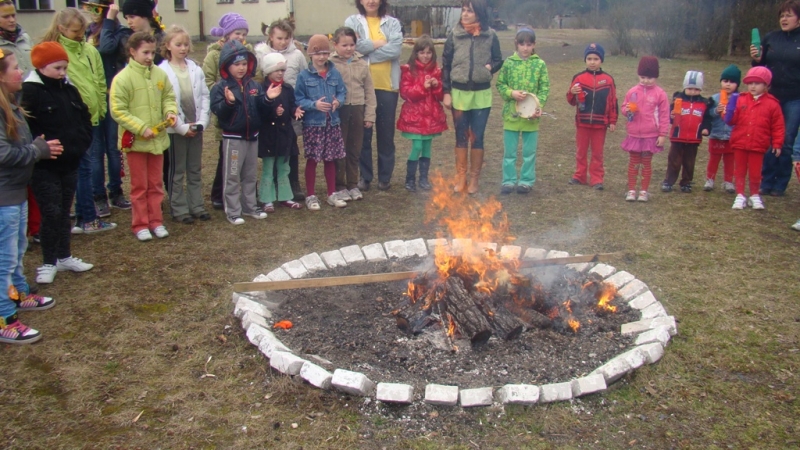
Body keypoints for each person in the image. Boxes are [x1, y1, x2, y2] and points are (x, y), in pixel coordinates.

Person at [0, 49, 63, 344]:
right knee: (4, 256)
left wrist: (33, 145)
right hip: (4, 196)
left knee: (17, 249)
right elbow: (3, 154)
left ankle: (19, 292)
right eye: (14, 67)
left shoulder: (12, 106)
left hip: (16, 191)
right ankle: (5, 318)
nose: (20, 72)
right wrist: (36, 151)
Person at [22, 42, 94, 284]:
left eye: (65, 67)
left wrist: (81, 142)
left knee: (64, 211)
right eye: (57, 68)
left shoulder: (69, 90)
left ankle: (64, 256)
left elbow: (84, 116)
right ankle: (48, 261)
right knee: (51, 212)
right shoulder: (30, 93)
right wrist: (39, 149)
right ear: (41, 67)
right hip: (44, 166)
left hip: (70, 161)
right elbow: (24, 129)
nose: (63, 73)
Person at [41, 8, 118, 235]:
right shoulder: (58, 52)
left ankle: (84, 216)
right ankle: (88, 218)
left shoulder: (89, 50)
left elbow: (99, 81)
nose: (80, 34)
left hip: (93, 117)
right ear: (62, 29)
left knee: (84, 167)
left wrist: (102, 108)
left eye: (83, 30)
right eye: (75, 31)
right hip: (74, 119)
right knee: (84, 167)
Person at [109, 32, 177, 240]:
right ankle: (140, 224)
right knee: (140, 186)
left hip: (157, 139)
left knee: (156, 184)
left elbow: (168, 96)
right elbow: (118, 110)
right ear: (132, 52)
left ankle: (156, 221)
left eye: (152, 52)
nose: (149, 57)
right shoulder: (122, 78)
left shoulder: (159, 74)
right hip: (137, 142)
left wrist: (170, 112)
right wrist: (140, 128)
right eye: (145, 52)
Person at [441, 0, 503, 194]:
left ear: (479, 13)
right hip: (459, 93)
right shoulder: (454, 35)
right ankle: (461, 177)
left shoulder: (490, 35)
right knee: (461, 136)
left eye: (470, 11)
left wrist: (490, 68)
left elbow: (498, 59)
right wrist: (446, 92)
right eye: (464, 10)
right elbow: (446, 63)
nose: (465, 14)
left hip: (481, 95)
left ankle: (475, 179)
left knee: (477, 137)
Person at [345, 0, 403, 191]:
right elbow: (353, 48)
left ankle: (385, 177)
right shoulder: (352, 22)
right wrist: (378, 44)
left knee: (386, 136)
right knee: (363, 135)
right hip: (361, 88)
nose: (371, 1)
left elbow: (395, 49)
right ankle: (365, 176)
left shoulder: (392, 23)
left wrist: (367, 54)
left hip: (387, 87)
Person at [209, 39, 268, 224]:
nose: (241, 68)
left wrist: (268, 100)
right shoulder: (221, 88)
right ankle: (233, 211)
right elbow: (218, 112)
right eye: (236, 64)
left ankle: (250, 206)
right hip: (233, 138)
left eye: (244, 64)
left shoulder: (254, 86)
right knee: (232, 175)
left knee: (250, 175)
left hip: (252, 137)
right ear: (227, 65)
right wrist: (229, 102)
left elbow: (260, 109)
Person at [158, 25, 211, 224]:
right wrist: (181, 127)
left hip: (196, 127)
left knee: (194, 168)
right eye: (178, 44)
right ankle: (179, 208)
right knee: (177, 170)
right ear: (168, 46)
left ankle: (196, 205)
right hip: (176, 130)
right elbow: (166, 101)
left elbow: (204, 96)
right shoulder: (162, 71)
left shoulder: (195, 69)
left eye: (186, 44)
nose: (183, 48)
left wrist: (201, 123)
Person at [83, 0, 132, 214]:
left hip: (112, 96)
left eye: (97, 9)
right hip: (92, 98)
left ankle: (116, 191)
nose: (92, 13)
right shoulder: (86, 33)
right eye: (88, 8)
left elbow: (106, 48)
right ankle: (98, 195)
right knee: (95, 151)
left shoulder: (119, 31)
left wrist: (110, 21)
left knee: (113, 148)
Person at [750, 0, 800, 197]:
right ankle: (766, 180)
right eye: (781, 16)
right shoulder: (771, 38)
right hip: (771, 97)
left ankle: (781, 182)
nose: (784, 19)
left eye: (789, 15)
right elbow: (759, 68)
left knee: (786, 140)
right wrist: (756, 58)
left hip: (795, 98)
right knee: (768, 138)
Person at [203, 12, 251, 211]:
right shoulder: (214, 55)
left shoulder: (247, 53)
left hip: (245, 112)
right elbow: (207, 81)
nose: (240, 37)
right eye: (237, 33)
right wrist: (226, 93)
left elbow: (253, 77)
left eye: (244, 33)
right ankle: (218, 194)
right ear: (227, 34)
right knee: (226, 158)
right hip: (227, 110)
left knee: (245, 160)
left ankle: (245, 195)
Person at [255, 19, 308, 202]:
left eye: (287, 38)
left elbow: (303, 76)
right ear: (271, 37)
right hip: (270, 111)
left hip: (289, 103)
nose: (283, 42)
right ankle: (268, 191)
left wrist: (297, 107)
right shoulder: (261, 53)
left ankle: (291, 185)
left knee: (290, 148)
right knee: (271, 153)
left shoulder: (297, 55)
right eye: (279, 38)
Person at [294, 34, 347, 210]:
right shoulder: (304, 76)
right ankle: (311, 195)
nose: (321, 57)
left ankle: (332, 193)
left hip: (332, 123)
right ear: (310, 55)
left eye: (325, 53)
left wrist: (338, 102)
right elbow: (299, 99)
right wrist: (314, 105)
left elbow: (342, 92)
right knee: (313, 159)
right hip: (313, 125)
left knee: (330, 159)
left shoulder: (334, 74)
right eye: (317, 54)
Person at [496, 28, 549, 195]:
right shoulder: (509, 63)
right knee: (510, 152)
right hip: (511, 115)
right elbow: (500, 84)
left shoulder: (539, 64)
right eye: (522, 44)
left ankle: (526, 180)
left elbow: (544, 88)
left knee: (529, 152)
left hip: (531, 118)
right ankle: (509, 180)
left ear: (534, 45)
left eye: (529, 44)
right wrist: (511, 93)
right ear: (516, 44)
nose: (525, 48)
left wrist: (538, 107)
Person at [725, 67, 785, 210]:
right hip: (740, 142)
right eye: (750, 83)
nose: (753, 86)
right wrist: (727, 112)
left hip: (758, 144)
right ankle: (740, 194)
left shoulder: (773, 104)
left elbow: (778, 126)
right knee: (739, 170)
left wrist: (777, 143)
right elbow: (730, 120)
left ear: (766, 86)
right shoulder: (740, 99)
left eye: (757, 83)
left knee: (756, 172)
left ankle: (754, 194)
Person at [396, 34, 446, 192]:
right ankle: (410, 178)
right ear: (416, 53)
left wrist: (437, 86)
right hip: (415, 117)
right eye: (422, 52)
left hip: (431, 116)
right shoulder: (408, 70)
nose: (426, 56)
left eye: (429, 53)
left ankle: (423, 178)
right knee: (417, 145)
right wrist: (423, 87)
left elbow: (441, 96)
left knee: (427, 146)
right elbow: (406, 93)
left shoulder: (437, 71)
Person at [330, 26, 375, 199]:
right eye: (344, 45)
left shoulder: (362, 65)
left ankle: (352, 184)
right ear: (335, 45)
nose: (348, 48)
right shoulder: (331, 64)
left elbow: (370, 92)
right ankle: (339, 185)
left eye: (351, 45)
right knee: (339, 149)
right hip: (339, 111)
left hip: (357, 109)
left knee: (355, 149)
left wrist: (369, 115)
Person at [566, 43, 617, 190]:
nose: (592, 62)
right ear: (585, 60)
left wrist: (613, 120)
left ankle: (596, 179)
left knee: (597, 153)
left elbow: (613, 101)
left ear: (601, 60)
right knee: (581, 151)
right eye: (589, 58)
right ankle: (579, 175)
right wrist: (572, 92)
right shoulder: (578, 78)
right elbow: (570, 101)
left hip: (600, 124)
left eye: (595, 58)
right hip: (582, 122)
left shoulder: (608, 80)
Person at [620, 56, 669, 202]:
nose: (645, 81)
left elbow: (664, 116)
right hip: (634, 134)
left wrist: (662, 134)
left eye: (649, 77)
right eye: (642, 77)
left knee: (646, 163)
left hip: (650, 135)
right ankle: (631, 190)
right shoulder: (632, 91)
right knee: (634, 162)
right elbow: (624, 107)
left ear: (655, 77)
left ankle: (643, 191)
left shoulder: (660, 94)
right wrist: (626, 110)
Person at [661, 71, 712, 194]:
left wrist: (706, 128)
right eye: (690, 88)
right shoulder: (677, 100)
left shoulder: (704, 104)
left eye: (696, 89)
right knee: (674, 161)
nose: (693, 91)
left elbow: (707, 118)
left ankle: (686, 182)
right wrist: (671, 116)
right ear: (685, 87)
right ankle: (669, 181)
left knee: (689, 162)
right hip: (677, 136)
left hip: (693, 138)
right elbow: (669, 117)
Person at [704, 64, 741, 193]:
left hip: (732, 135)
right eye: (725, 81)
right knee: (714, 159)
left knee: (730, 160)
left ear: (737, 84)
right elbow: (708, 115)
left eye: (732, 82)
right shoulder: (714, 99)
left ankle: (728, 182)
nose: (728, 84)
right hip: (716, 134)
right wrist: (716, 110)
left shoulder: (741, 99)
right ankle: (710, 180)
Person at [0, 0, 32, 76]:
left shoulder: (25, 37)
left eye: (13, 15)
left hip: (31, 86)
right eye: (6, 17)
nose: (12, 20)